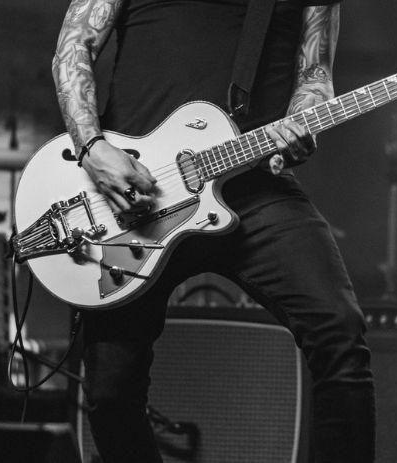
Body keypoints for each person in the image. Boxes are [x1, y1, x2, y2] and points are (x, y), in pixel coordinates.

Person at [52, 0, 376, 461]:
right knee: (110, 389)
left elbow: (314, 74)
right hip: (138, 195)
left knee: (340, 334)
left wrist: (305, 117)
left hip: (254, 183)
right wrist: (91, 147)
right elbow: (74, 43)